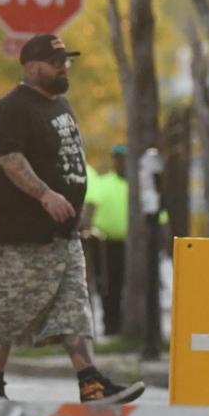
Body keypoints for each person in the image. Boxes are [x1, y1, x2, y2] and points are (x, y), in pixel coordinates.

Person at [0, 34, 145, 405]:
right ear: (33, 66)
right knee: (9, 310)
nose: (64, 67)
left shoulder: (61, 106)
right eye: (57, 62)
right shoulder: (11, 108)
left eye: (66, 61)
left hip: (64, 236)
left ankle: (91, 384)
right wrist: (45, 194)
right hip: (20, 238)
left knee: (74, 307)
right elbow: (10, 159)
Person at [82, 144, 130, 336]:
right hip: (106, 244)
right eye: (118, 159)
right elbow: (91, 207)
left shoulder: (139, 185)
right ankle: (111, 326)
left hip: (133, 245)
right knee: (109, 286)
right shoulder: (103, 183)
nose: (122, 163)